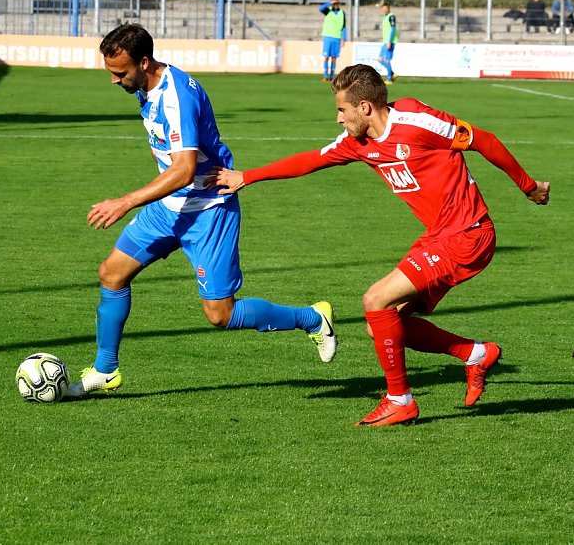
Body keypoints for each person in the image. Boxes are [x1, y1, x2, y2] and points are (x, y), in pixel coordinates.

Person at [210, 64, 550, 427]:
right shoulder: (359, 144)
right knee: (382, 323)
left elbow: (483, 139)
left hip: (468, 234)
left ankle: (399, 400)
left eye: (342, 110)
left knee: (375, 300)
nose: (339, 119)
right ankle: (476, 354)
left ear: (365, 108)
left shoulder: (417, 121)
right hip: (441, 236)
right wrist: (248, 176)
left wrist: (528, 186)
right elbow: (312, 160)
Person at [65, 23, 337, 398]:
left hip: (209, 210)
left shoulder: (176, 98)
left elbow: (183, 170)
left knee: (219, 315)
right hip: (169, 208)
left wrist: (125, 201)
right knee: (112, 274)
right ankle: (105, 370)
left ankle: (312, 318)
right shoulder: (148, 85)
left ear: (144, 63)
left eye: (120, 72)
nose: (114, 80)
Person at [319, 0, 347, 83]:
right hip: (328, 37)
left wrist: (343, 39)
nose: (335, 4)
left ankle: (332, 76)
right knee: (326, 57)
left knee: (334, 58)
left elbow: (343, 27)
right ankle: (325, 75)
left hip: (337, 38)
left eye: (336, 3)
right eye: (333, 3)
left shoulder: (342, 13)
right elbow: (320, 8)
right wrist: (329, 3)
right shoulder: (328, 10)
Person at [377, 3, 398, 85]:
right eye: (383, 8)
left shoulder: (391, 16)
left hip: (390, 42)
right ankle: (392, 74)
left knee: (386, 60)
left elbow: (392, 29)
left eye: (385, 8)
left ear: (389, 8)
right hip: (385, 42)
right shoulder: (385, 17)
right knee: (380, 59)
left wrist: (389, 41)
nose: (384, 10)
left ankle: (389, 79)